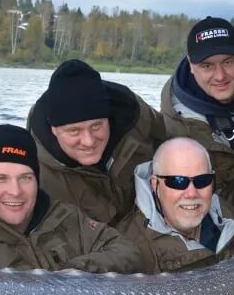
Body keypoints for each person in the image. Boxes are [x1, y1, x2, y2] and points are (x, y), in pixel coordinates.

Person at [0, 124, 147, 273]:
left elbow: (128, 252)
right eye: (0, 178)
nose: (15, 191)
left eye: (25, 178)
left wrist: (74, 273)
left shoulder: (65, 217)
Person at [159, 16, 234, 226]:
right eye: (207, 66)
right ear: (191, 65)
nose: (220, 75)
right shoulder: (176, 127)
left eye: (228, 62)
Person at [27, 59, 168, 231]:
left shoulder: (138, 119)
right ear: (53, 130)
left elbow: (175, 145)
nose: (89, 141)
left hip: (157, 229)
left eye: (96, 126)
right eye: (74, 131)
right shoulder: (33, 175)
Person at [122, 138, 234, 272]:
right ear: (155, 185)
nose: (192, 193)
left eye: (202, 180)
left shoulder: (225, 214)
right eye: (178, 181)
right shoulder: (130, 253)